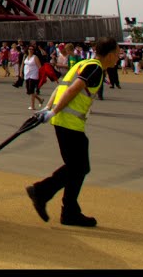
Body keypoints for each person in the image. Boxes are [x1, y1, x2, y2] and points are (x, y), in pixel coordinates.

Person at [25, 36, 120, 228]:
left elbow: (60, 87)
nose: (119, 58)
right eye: (117, 54)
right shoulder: (94, 69)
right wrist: (52, 111)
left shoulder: (84, 64)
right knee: (78, 167)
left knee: (78, 167)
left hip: (66, 122)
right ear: (109, 55)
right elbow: (72, 91)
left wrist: (49, 109)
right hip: (69, 123)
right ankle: (43, 192)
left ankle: (68, 210)